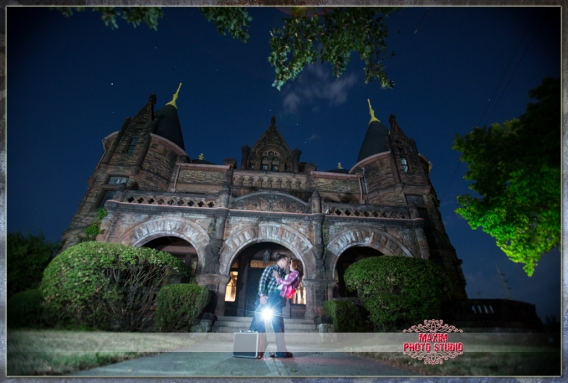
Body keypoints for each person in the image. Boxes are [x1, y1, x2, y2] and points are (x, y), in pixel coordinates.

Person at [248, 253, 289, 358]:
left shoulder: (284, 275)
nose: (288, 264)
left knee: (278, 325)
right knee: (259, 324)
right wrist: (262, 295)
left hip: (275, 302)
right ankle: (259, 346)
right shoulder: (270, 269)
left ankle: (281, 350)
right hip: (265, 300)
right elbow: (262, 281)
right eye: (287, 261)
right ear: (282, 260)